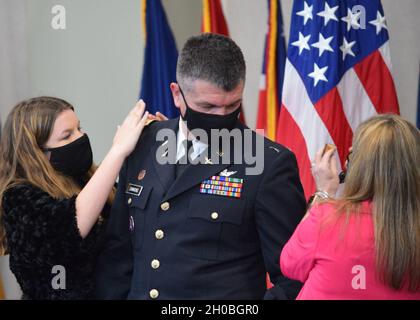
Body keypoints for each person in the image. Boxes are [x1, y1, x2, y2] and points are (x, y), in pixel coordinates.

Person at [95, 33, 306, 300]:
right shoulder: (142, 143)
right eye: (208, 107)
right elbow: (118, 256)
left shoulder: (267, 163)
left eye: (232, 105)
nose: (222, 117)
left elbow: (294, 276)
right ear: (177, 95)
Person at [0, 96, 149, 299]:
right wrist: (117, 151)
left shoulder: (85, 181)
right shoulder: (18, 198)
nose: (80, 138)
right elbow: (68, 227)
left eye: (79, 128)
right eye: (66, 136)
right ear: (37, 153)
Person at [280, 114, 420, 299]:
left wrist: (324, 192)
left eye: (352, 154)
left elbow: (290, 265)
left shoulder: (326, 218)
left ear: (357, 166)